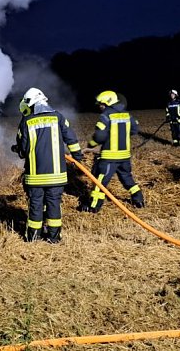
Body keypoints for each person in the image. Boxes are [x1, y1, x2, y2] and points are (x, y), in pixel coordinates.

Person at [12, 87, 83, 243]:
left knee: (36, 205)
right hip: (56, 175)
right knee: (53, 204)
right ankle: (54, 237)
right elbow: (71, 138)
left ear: (31, 104)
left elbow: (23, 150)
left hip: (35, 176)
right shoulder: (58, 117)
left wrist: (19, 150)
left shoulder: (27, 121)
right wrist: (77, 157)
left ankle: (33, 237)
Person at [80, 90, 146, 211]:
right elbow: (134, 129)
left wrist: (91, 144)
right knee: (127, 178)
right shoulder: (127, 115)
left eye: (101, 104)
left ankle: (93, 207)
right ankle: (139, 199)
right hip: (125, 156)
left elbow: (100, 136)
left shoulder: (105, 115)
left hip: (109, 158)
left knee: (99, 183)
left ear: (107, 103)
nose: (100, 106)